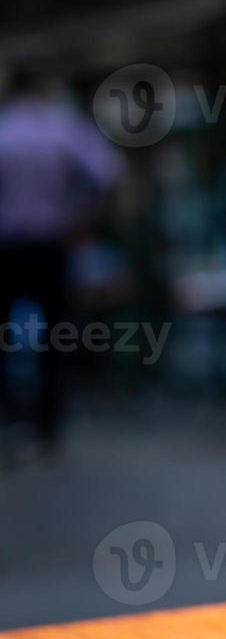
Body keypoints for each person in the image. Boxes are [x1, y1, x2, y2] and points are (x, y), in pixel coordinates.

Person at [0, 67, 122, 456]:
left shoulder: (5, 131)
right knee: (55, 338)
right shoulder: (62, 128)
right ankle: (48, 428)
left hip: (8, 246)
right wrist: (81, 218)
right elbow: (107, 172)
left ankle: (10, 418)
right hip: (52, 244)